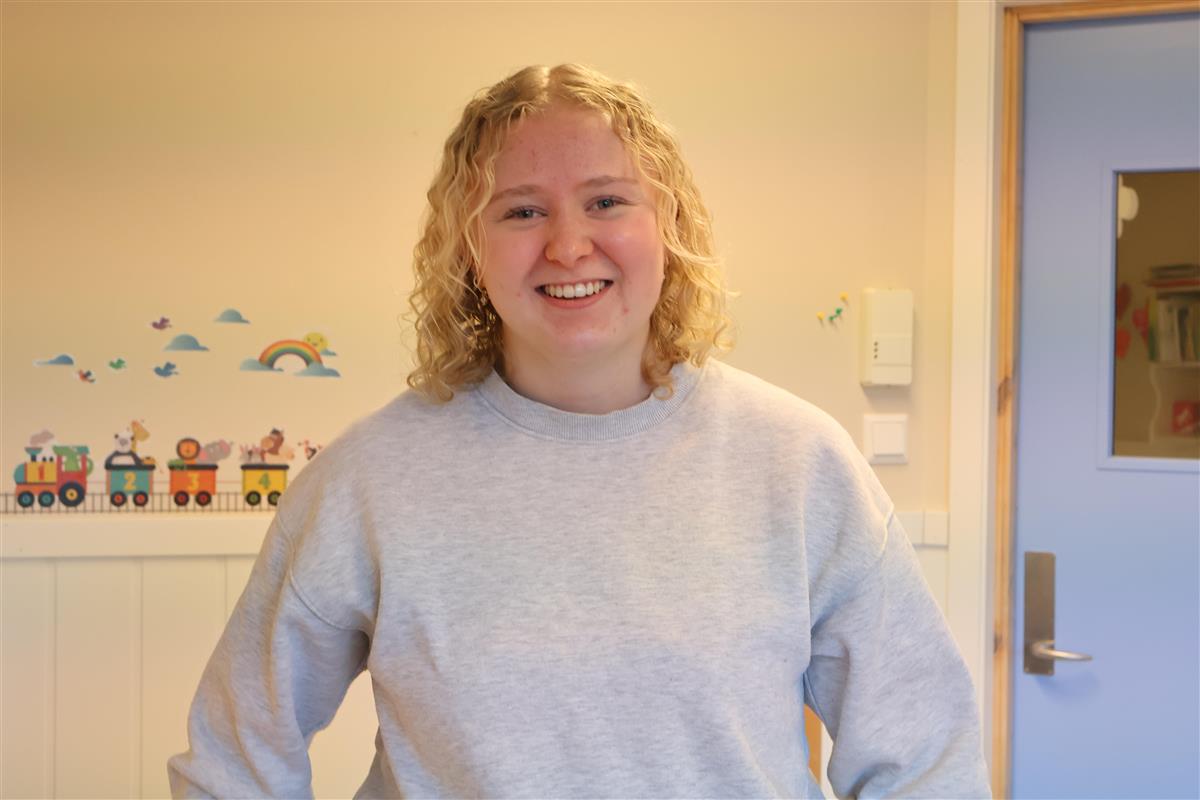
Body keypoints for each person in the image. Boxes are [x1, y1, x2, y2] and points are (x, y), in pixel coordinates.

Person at [168, 63, 990, 799]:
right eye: (521, 211)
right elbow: (234, 762)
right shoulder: (368, 481)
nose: (568, 245)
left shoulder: (799, 463)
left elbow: (925, 758)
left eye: (606, 201)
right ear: (468, 250)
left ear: (669, 224)